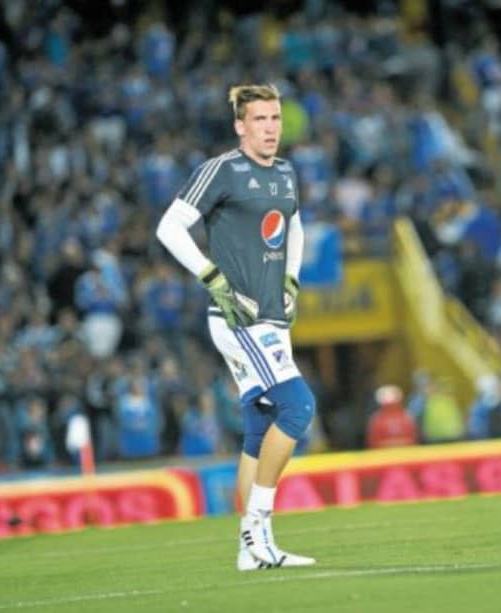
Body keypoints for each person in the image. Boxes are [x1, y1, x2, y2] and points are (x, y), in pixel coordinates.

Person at [156, 83, 316, 571]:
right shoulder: (221, 170)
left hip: (272, 314)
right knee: (298, 405)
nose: (271, 128)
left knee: (260, 427)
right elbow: (169, 227)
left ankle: (248, 551)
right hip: (239, 315)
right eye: (261, 120)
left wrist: (291, 277)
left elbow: (295, 227)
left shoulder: (286, 173)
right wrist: (213, 280)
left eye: (275, 119)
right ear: (240, 126)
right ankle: (259, 529)